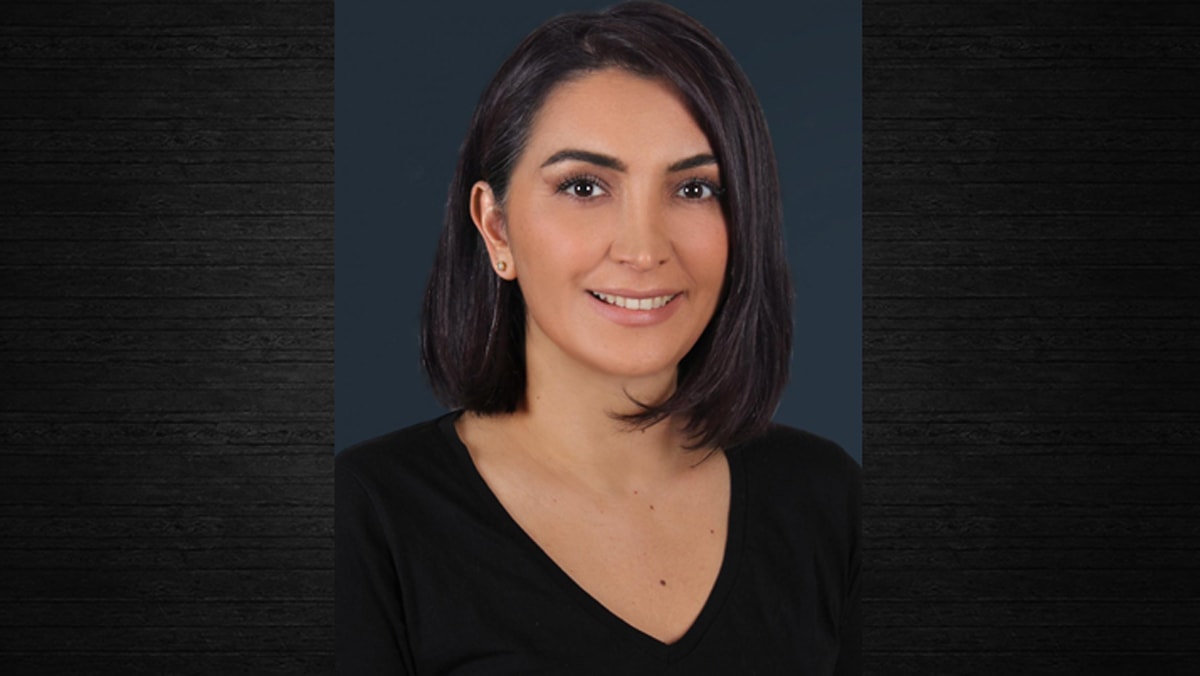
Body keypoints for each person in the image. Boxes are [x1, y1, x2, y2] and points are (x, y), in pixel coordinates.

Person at [336, 2, 860, 673]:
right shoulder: (368, 518)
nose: (643, 249)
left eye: (694, 189)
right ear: (496, 229)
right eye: (584, 187)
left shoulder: (826, 501)